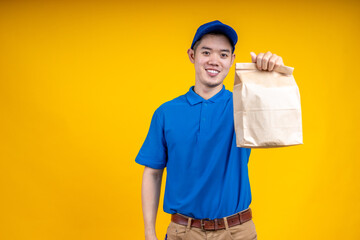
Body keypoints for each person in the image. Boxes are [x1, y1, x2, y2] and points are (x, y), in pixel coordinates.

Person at [135, 20, 285, 240]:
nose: (214, 61)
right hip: (182, 232)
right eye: (206, 52)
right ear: (192, 55)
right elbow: (153, 173)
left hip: (237, 231)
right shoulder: (166, 112)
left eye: (223, 55)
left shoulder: (244, 105)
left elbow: (278, 121)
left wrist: (276, 74)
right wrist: (149, 233)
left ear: (232, 60)